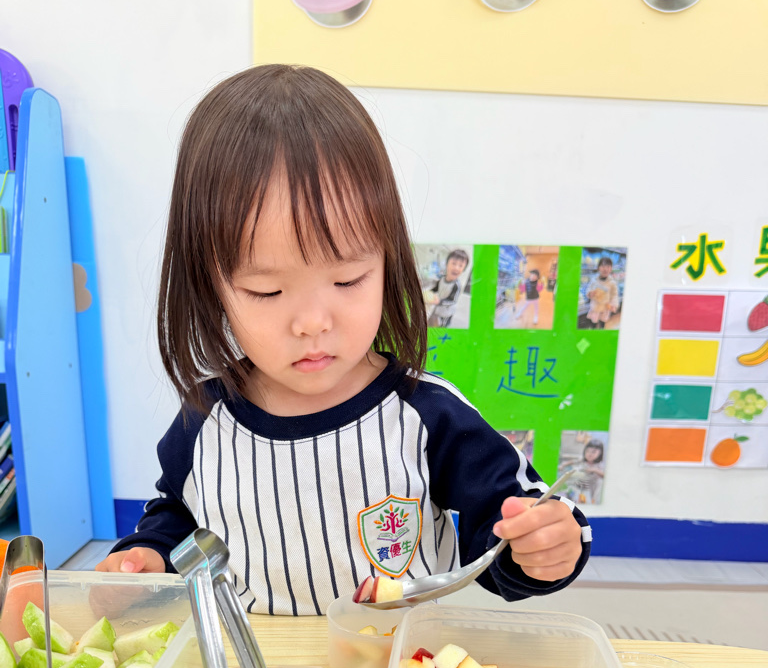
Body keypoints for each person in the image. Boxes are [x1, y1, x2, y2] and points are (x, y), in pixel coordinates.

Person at [96, 64, 590, 615]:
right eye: (266, 290)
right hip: (257, 662)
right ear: (209, 285)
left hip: (403, 661)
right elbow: (179, 515)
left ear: (386, 263)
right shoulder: (204, 421)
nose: (312, 322)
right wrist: (147, 555)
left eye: (348, 280)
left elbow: (506, 520)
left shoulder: (424, 414)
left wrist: (542, 545)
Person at [425, 249, 469, 328]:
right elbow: (436, 288)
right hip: (437, 309)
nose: (456, 268)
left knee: (441, 328)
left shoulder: (456, 285)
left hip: (446, 313)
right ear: (447, 264)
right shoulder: (442, 279)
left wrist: (439, 301)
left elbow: (452, 300)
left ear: (463, 269)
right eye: (454, 263)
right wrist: (428, 292)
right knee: (430, 323)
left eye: (460, 266)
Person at [585, 256, 619, 329]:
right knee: (593, 323)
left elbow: (614, 295)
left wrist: (613, 304)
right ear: (598, 268)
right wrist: (590, 293)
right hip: (595, 307)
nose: (605, 269)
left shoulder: (612, 283)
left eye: (608, 266)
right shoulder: (594, 280)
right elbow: (588, 289)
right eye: (603, 266)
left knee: (602, 324)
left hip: (605, 308)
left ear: (611, 269)